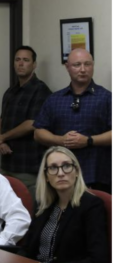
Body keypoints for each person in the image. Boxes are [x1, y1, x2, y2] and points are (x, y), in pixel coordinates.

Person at [18, 147, 109, 263]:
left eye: (66, 166)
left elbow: (98, 261)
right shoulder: (43, 205)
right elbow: (27, 249)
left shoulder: (91, 206)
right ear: (47, 176)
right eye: (53, 168)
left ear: (77, 171)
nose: (60, 173)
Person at [34, 48, 111, 193]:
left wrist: (89, 140)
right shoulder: (54, 99)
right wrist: (60, 140)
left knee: (94, 213)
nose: (83, 69)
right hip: (60, 176)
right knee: (60, 214)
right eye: (77, 65)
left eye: (87, 64)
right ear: (67, 67)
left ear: (93, 66)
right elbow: (38, 133)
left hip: (96, 175)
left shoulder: (106, 98)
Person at [0, 46, 52, 199]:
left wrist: (3, 137)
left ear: (34, 64)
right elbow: (2, 118)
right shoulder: (10, 92)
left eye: (26, 60)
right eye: (18, 60)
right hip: (7, 164)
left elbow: (32, 123)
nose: (21, 63)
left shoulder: (41, 90)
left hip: (28, 168)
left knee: (29, 212)